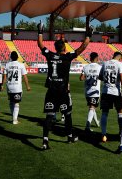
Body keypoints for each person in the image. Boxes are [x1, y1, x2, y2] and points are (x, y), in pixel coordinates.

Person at [37, 20, 91, 150]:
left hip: (51, 90)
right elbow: (83, 47)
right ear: (65, 48)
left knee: (49, 116)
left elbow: (40, 44)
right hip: (63, 91)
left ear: (55, 48)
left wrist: (40, 31)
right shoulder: (67, 57)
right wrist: (89, 34)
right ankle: (70, 136)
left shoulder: (50, 55)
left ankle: (45, 140)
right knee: (67, 114)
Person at [98, 51, 122, 143]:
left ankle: (103, 134)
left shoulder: (105, 63)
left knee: (104, 113)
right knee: (120, 112)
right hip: (116, 92)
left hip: (106, 91)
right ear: (120, 57)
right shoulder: (120, 64)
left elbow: (100, 77)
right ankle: (121, 133)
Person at [3, 51, 31, 124]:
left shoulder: (7, 65)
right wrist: (27, 86)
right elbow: (25, 76)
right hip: (17, 87)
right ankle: (15, 120)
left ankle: (13, 118)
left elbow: (4, 76)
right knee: (16, 103)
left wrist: (2, 85)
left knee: (11, 102)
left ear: (10, 57)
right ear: (18, 57)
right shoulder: (21, 65)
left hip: (9, 87)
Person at [79, 52, 101, 132]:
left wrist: (88, 76)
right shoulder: (99, 67)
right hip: (95, 91)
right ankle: (87, 126)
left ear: (90, 58)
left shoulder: (85, 67)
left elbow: (81, 78)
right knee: (92, 107)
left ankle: (97, 123)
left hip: (87, 91)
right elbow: (102, 78)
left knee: (92, 107)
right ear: (97, 58)